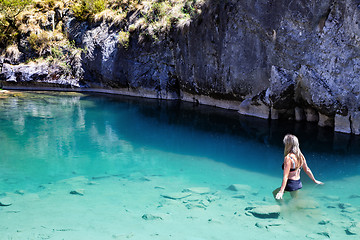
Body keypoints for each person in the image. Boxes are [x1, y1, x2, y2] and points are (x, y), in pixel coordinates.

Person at [273, 134, 323, 200]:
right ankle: (296, 208)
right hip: (298, 183)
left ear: (288, 145)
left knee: (275, 193)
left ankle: (283, 208)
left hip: (290, 184)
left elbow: (286, 176)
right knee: (295, 199)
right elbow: (307, 169)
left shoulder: (288, 158)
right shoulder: (300, 156)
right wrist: (314, 180)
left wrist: (281, 191)